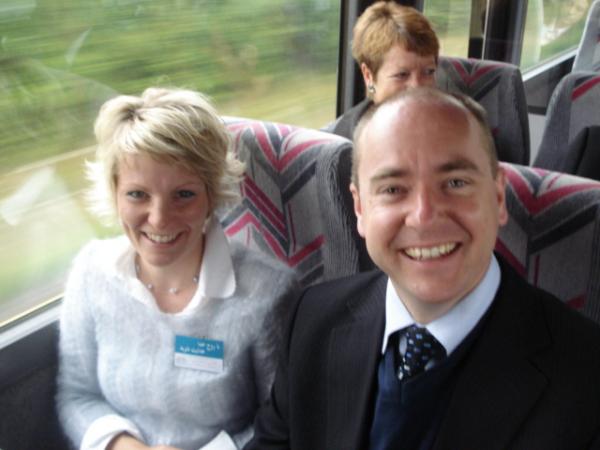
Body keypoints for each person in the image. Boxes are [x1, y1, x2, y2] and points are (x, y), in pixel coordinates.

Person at [245, 88, 600, 450]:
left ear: (497, 198)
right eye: (393, 189)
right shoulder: (312, 321)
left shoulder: (587, 376)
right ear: (360, 209)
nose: (424, 216)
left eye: (455, 183)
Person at [56, 87, 298, 450]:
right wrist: (123, 445)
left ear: (211, 196)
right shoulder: (91, 272)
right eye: (138, 194)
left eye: (183, 195)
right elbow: (78, 395)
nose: (159, 219)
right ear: (115, 193)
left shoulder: (269, 291)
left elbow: (281, 423)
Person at [325, 1, 439, 139]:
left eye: (428, 72)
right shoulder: (345, 144)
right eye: (402, 75)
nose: (417, 86)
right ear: (369, 76)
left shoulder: (448, 127)